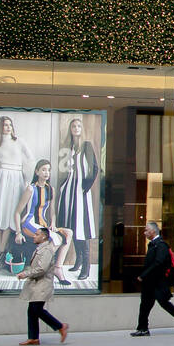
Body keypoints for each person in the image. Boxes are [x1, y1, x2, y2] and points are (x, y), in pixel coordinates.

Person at [13, 159, 73, 285]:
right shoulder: (31, 189)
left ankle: (57, 268)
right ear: (37, 172)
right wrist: (18, 232)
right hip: (29, 224)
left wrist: (53, 224)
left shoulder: (51, 189)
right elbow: (17, 212)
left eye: (49, 170)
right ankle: (41, 269)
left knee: (68, 232)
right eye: (43, 169)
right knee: (56, 238)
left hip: (44, 225)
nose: (47, 172)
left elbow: (52, 211)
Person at [0, 115, 32, 273]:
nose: (8, 127)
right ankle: (1, 251)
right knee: (0, 215)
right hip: (2, 178)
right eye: (5, 125)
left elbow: (30, 158)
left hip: (15, 178)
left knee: (10, 214)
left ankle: (1, 253)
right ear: (1, 127)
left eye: (10, 124)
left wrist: (26, 177)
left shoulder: (19, 141)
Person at [131, 221, 174, 337]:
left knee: (164, 304)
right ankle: (142, 328)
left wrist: (143, 275)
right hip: (150, 282)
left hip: (158, 282)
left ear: (153, 231)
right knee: (145, 305)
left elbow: (158, 263)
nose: (144, 233)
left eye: (146, 230)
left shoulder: (161, 245)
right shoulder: (154, 244)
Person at [58, 117, 100, 280]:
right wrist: (63, 186)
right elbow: (65, 170)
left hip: (80, 191)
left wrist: (85, 186)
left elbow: (95, 168)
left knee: (81, 226)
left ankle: (86, 268)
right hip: (69, 191)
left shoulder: (86, 146)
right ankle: (78, 261)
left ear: (82, 129)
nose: (76, 128)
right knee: (71, 226)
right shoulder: (68, 147)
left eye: (78, 126)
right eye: (73, 126)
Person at [16, 226, 68, 346]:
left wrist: (25, 274)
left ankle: (61, 326)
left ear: (44, 236)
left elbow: (41, 269)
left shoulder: (47, 250)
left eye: (37, 234)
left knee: (37, 309)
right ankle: (33, 338)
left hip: (42, 285)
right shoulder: (40, 249)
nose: (34, 236)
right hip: (36, 285)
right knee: (32, 311)